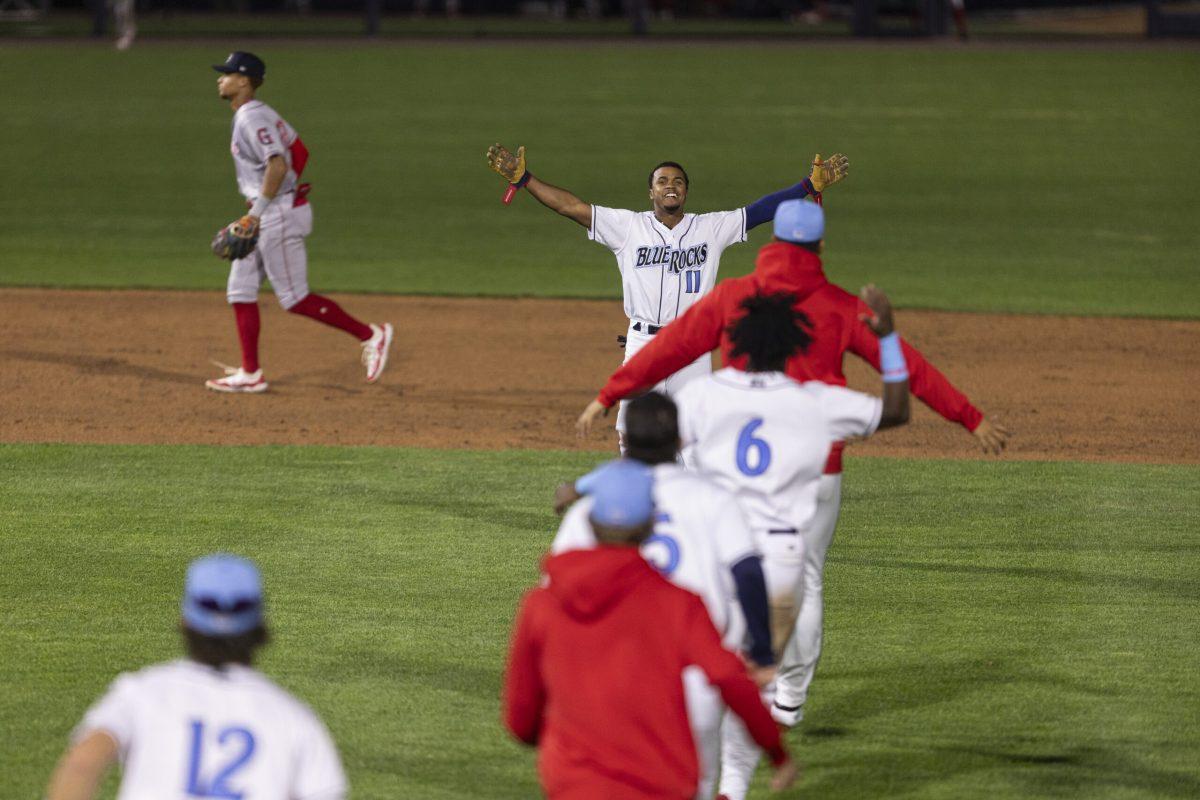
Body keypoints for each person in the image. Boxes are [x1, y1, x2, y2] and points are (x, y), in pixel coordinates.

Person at [577, 199, 1009, 733]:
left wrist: (611, 391)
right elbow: (909, 374)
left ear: (773, 244)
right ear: (820, 247)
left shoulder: (733, 296)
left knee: (725, 570)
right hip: (813, 468)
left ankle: (717, 677)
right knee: (804, 579)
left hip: (734, 469)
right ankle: (789, 700)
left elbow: (671, 346)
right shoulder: (840, 306)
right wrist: (968, 417)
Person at [670, 289, 908, 800]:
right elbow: (895, 411)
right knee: (758, 679)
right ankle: (733, 788)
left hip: (717, 562)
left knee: (706, 674)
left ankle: (702, 784)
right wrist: (887, 341)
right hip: (781, 567)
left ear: (738, 339)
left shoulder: (705, 393)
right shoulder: (815, 401)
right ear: (793, 344)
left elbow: (657, 449)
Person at [486, 143, 849, 448]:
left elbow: (759, 211)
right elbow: (571, 207)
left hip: (692, 344)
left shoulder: (711, 228)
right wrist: (526, 180)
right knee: (632, 437)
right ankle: (637, 520)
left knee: (694, 439)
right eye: (662, 181)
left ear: (686, 191)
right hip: (643, 342)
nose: (670, 186)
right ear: (651, 192)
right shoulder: (627, 227)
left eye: (677, 181)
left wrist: (808, 184)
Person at [504, 461, 797, 799]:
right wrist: (777, 753)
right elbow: (730, 678)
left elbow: (521, 722)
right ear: (649, 526)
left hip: (573, 784)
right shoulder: (678, 604)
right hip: (659, 785)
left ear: (590, 524)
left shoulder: (541, 604)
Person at [551, 393, 773, 799]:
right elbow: (748, 572)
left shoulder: (597, 508)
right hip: (697, 681)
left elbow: (556, 596)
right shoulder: (714, 497)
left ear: (625, 439)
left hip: (611, 679)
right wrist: (763, 651)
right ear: (681, 441)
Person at [45, 554, 347, 800]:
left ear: (186, 621)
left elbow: (81, 765)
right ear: (261, 628)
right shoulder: (293, 718)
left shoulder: (142, 693)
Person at [207, 51, 394, 394]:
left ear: (245, 81)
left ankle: (372, 335)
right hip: (270, 208)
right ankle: (251, 373)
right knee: (240, 289)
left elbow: (277, 165)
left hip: (274, 214)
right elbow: (300, 151)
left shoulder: (252, 118)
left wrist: (258, 212)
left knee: (294, 298)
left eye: (228, 74)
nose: (221, 79)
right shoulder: (259, 113)